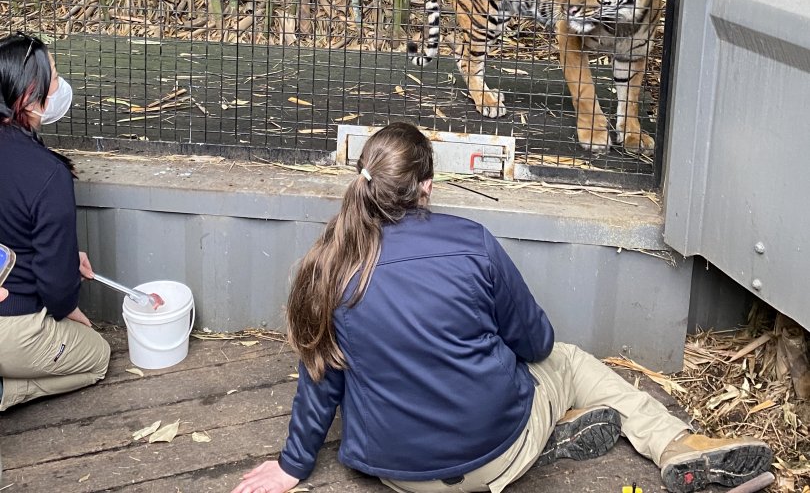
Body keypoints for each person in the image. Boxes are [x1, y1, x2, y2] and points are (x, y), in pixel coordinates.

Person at [230, 122, 772, 493]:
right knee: (569, 362)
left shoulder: (330, 264)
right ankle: (675, 442)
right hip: (495, 451)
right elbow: (536, 343)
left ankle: (555, 431)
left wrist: (291, 465)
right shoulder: (473, 242)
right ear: (428, 187)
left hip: (399, 474)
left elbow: (320, 378)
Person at [0, 33, 110, 412]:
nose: (60, 86)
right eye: (55, 77)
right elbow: (57, 289)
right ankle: (5, 391)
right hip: (11, 329)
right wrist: (66, 309)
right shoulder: (48, 174)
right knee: (97, 355)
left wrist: (63, 256)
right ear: (29, 94)